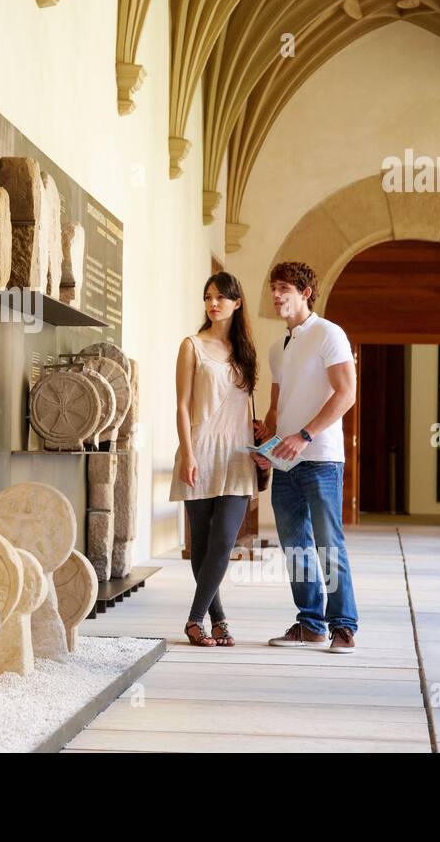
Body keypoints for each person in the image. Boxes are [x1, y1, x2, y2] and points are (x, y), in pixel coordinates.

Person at [253, 261, 360, 653]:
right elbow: (276, 409)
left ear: (305, 293)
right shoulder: (278, 347)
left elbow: (346, 394)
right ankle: (311, 623)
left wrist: (305, 435)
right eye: (273, 287)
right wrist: (266, 445)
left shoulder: (328, 334)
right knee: (295, 546)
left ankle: (343, 626)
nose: (277, 295)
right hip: (286, 461)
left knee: (328, 544)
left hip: (321, 459)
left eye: (285, 288)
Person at [170, 272, 259, 648]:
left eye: (222, 297)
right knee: (203, 544)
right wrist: (187, 452)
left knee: (224, 542)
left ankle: (194, 620)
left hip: (237, 455)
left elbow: (247, 406)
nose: (214, 303)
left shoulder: (246, 352)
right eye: (208, 296)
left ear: (237, 302)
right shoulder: (192, 345)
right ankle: (217, 620)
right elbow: (182, 405)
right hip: (200, 451)